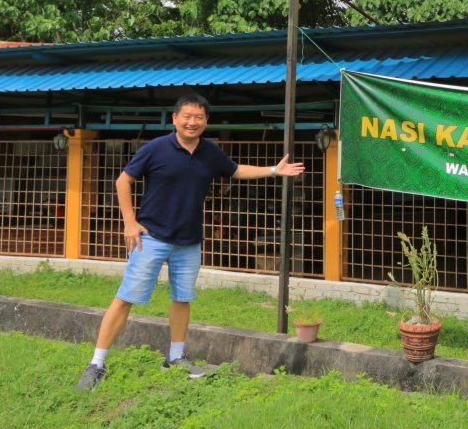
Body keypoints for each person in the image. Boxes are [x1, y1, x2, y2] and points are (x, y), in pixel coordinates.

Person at [75, 93, 304, 391]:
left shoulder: (210, 152)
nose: (192, 122)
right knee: (125, 298)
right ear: (175, 119)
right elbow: (123, 180)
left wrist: (274, 170)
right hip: (151, 238)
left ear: (206, 121)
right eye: (187, 116)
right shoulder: (155, 148)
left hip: (189, 242)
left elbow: (234, 170)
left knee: (182, 299)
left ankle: (175, 357)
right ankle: (96, 364)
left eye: (198, 117)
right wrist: (130, 222)